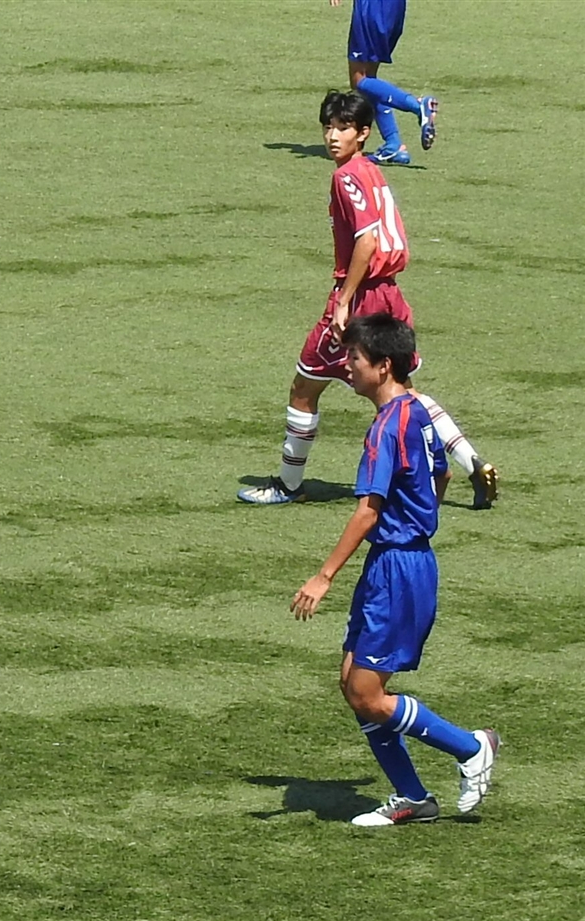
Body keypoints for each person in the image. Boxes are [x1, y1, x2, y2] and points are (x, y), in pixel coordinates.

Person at [238, 90, 497, 509]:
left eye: (343, 128)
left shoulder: (345, 177)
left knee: (305, 386)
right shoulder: (372, 170)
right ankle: (470, 462)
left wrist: (344, 300)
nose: (332, 136)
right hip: (390, 293)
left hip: (363, 298)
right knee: (404, 392)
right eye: (328, 127)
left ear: (363, 133)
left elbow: (367, 240)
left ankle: (288, 484)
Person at [290, 313, 499, 826]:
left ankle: (471, 747)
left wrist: (323, 576)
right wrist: (421, 518)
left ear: (383, 366)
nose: (347, 367)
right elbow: (442, 472)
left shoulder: (386, 427)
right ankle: (413, 797)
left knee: (367, 693)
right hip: (401, 560)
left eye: (354, 359)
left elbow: (368, 510)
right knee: (353, 685)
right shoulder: (419, 410)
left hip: (398, 569)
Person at [329, 0, 436, 165]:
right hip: (394, 8)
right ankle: (394, 144)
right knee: (369, 79)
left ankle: (418, 107)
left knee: (359, 80)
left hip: (372, 8)